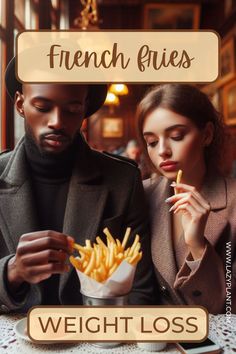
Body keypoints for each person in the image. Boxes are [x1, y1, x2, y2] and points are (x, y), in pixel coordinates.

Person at [0, 57, 155, 313]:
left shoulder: (123, 180)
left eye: (72, 109)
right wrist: (13, 271)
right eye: (42, 106)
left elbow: (140, 291)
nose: (57, 122)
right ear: (20, 104)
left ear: (84, 109)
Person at [136, 84, 236, 314]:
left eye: (176, 136)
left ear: (207, 135)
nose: (162, 150)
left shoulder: (232, 201)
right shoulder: (141, 194)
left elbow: (227, 307)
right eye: (151, 142)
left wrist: (198, 247)